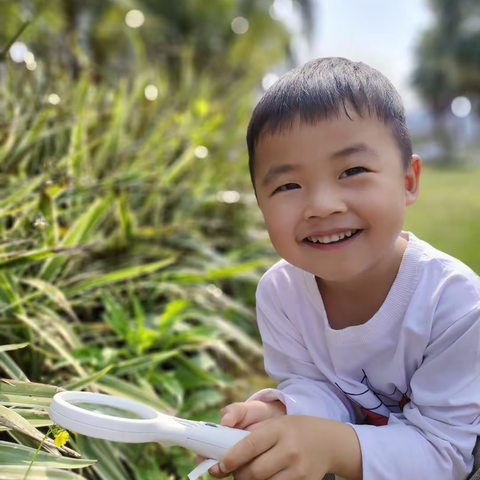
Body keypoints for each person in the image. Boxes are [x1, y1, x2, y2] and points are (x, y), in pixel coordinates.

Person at [202, 57, 480, 480]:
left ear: (408, 181)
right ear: (260, 204)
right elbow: (319, 391)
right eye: (287, 185)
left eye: (353, 171)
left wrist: (333, 446)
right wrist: (283, 412)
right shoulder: (281, 295)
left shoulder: (456, 303)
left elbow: (446, 453)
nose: (322, 205)